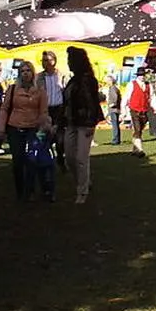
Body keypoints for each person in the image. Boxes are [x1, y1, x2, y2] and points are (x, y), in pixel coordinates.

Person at [0, 60, 52, 201]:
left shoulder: (40, 92)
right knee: (18, 161)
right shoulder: (13, 89)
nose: (25, 73)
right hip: (15, 127)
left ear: (32, 73)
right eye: (23, 71)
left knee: (32, 161)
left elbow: (43, 112)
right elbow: (4, 109)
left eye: (28, 70)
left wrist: (43, 128)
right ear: (19, 74)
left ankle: (30, 190)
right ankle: (20, 191)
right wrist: (1, 128)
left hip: (33, 129)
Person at [63, 46, 104, 204]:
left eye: (70, 60)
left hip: (85, 123)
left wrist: (90, 122)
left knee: (81, 157)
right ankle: (83, 181)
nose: (68, 63)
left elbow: (91, 103)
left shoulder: (88, 80)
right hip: (71, 122)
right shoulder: (72, 81)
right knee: (70, 158)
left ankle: (82, 191)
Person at [35, 50, 67, 172]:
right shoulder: (39, 78)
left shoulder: (62, 76)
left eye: (47, 60)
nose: (45, 63)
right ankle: (46, 162)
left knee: (60, 139)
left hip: (59, 109)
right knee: (44, 137)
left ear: (53, 61)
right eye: (43, 61)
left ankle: (60, 159)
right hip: (45, 109)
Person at [122, 69, 156, 158]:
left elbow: (152, 97)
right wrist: (123, 110)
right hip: (134, 109)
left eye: (143, 75)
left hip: (144, 110)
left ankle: (135, 149)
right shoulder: (131, 84)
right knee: (137, 129)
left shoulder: (148, 85)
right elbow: (126, 97)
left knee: (140, 130)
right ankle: (140, 150)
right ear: (137, 76)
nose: (142, 77)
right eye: (140, 75)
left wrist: (155, 107)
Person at [104, 75, 122, 145]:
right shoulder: (115, 88)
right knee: (116, 124)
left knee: (115, 125)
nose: (106, 82)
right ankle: (117, 139)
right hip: (115, 109)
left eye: (107, 81)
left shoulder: (112, 88)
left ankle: (115, 140)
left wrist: (113, 104)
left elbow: (115, 97)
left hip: (113, 109)